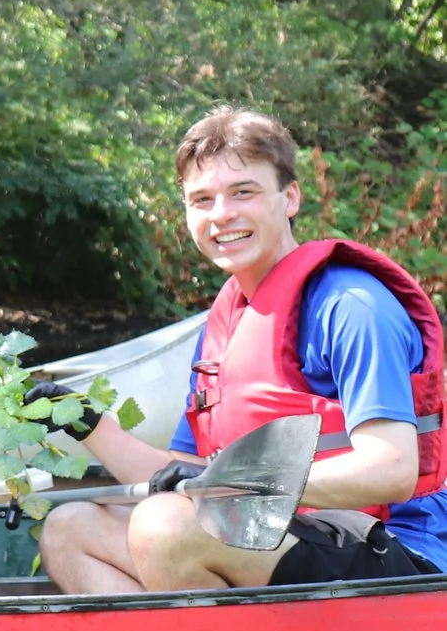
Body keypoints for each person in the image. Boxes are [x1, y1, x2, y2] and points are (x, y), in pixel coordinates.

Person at [41, 107, 447, 593]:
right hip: (279, 536)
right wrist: (80, 419)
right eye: (202, 200)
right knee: (70, 528)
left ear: (290, 196)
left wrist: (240, 484)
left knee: (167, 526)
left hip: (394, 551)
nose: (221, 215)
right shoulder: (226, 325)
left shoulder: (352, 306)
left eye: (243, 192)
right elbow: (180, 476)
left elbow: (393, 468)